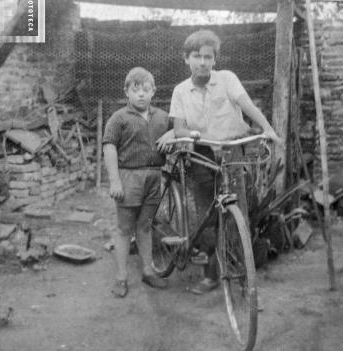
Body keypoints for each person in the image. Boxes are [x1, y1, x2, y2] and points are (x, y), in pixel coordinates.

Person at [169, 30, 282, 295]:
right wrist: (195, 136)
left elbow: (247, 105)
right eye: (197, 56)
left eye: (208, 57)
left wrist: (267, 128)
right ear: (187, 59)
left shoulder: (227, 79)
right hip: (202, 155)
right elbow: (179, 129)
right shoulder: (180, 91)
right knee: (208, 216)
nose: (203, 62)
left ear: (215, 60)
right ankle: (210, 275)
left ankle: (246, 284)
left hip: (232, 153)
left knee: (237, 214)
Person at [103, 67, 172, 298]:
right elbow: (109, 147)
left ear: (153, 92)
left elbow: (180, 131)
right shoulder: (119, 118)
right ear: (127, 92)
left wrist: (173, 135)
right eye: (136, 90)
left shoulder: (162, 117)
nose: (141, 94)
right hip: (128, 177)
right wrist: (114, 181)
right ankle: (121, 277)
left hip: (154, 177)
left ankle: (148, 271)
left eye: (146, 89)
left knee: (145, 226)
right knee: (124, 229)